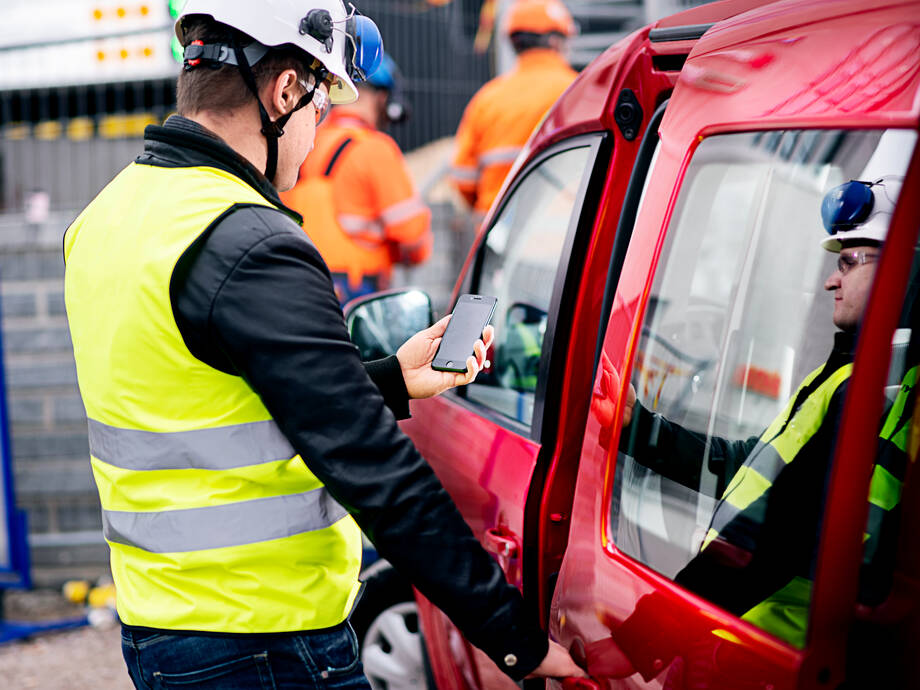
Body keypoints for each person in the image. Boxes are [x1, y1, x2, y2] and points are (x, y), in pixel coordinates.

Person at [62, 0, 585, 686]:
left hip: (164, 629)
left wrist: (389, 380)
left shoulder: (105, 217)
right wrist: (513, 639)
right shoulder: (249, 241)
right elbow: (375, 470)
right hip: (265, 642)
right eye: (320, 105)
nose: (318, 132)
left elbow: (205, 404)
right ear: (283, 92)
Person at [607, 175, 908, 663]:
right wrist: (636, 428)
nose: (832, 280)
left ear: (905, 271)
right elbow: (756, 471)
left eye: (850, 262)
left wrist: (643, 641)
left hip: (776, 651)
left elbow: (775, 531)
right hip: (760, 641)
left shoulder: (878, 390)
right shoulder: (850, 375)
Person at [281, 52, 431, 304]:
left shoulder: (307, 141)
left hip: (301, 280)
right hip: (357, 289)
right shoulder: (375, 149)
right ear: (383, 98)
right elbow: (412, 236)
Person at [450, 0, 577, 224]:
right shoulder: (578, 90)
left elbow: (463, 179)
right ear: (556, 41)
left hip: (500, 242)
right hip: (563, 235)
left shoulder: (487, 99)